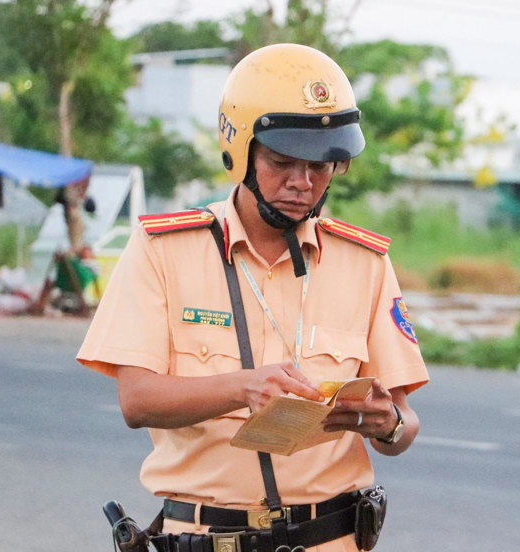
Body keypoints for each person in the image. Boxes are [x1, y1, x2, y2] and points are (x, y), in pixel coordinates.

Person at [78, 43, 428, 552]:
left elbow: (402, 423)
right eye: (282, 162)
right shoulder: (163, 251)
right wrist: (243, 388)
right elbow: (137, 400)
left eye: (322, 166)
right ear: (239, 151)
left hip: (334, 537)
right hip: (204, 538)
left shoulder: (365, 263)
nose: (302, 184)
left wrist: (390, 425)